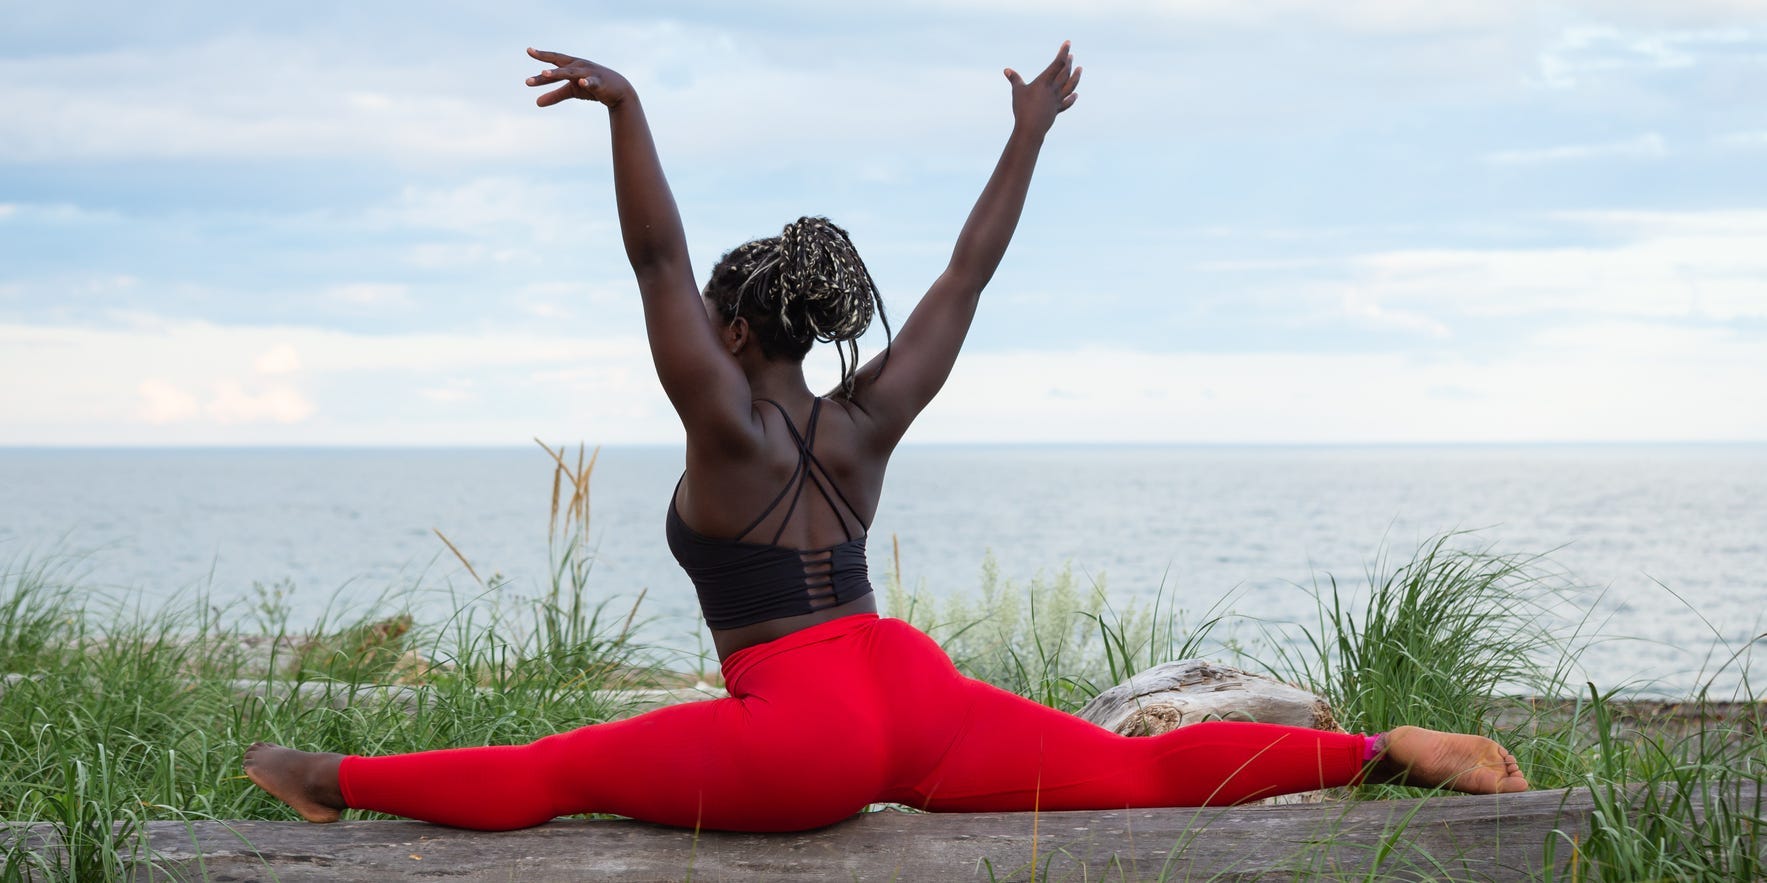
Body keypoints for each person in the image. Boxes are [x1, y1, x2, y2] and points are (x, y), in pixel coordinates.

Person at [245, 42, 1527, 833]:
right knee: (1138, 783)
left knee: (550, 775)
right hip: (914, 691)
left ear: (737, 332)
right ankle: (1375, 754)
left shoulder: (722, 418)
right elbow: (966, 278)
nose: (690, 320)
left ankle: (333, 777)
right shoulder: (866, 418)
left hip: (804, 732)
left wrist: (627, 111)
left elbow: (653, 255)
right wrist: (1026, 134)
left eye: (708, 315)